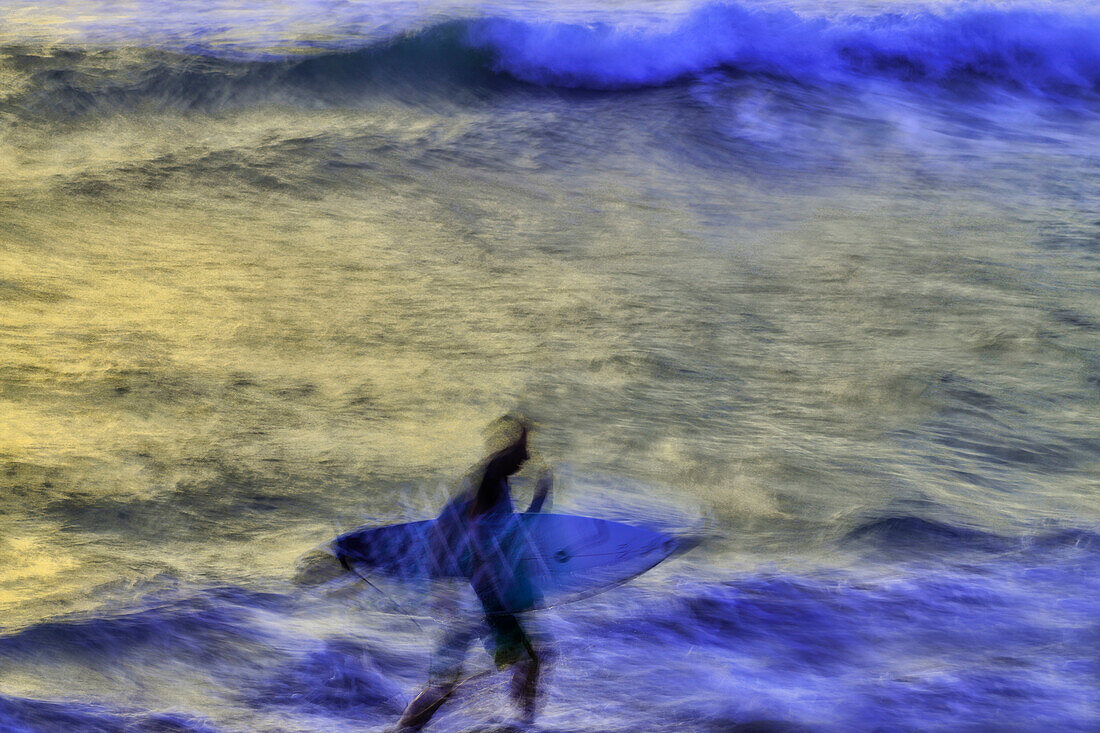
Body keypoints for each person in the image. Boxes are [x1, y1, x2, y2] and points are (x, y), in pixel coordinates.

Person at [397, 415, 553, 731]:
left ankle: (404, 729)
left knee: (447, 682)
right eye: (523, 448)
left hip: (476, 597)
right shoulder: (490, 482)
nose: (527, 458)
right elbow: (501, 538)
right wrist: (538, 504)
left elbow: (462, 535)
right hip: (488, 600)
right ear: (506, 449)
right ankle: (523, 724)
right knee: (532, 662)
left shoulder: (486, 486)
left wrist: (442, 586)